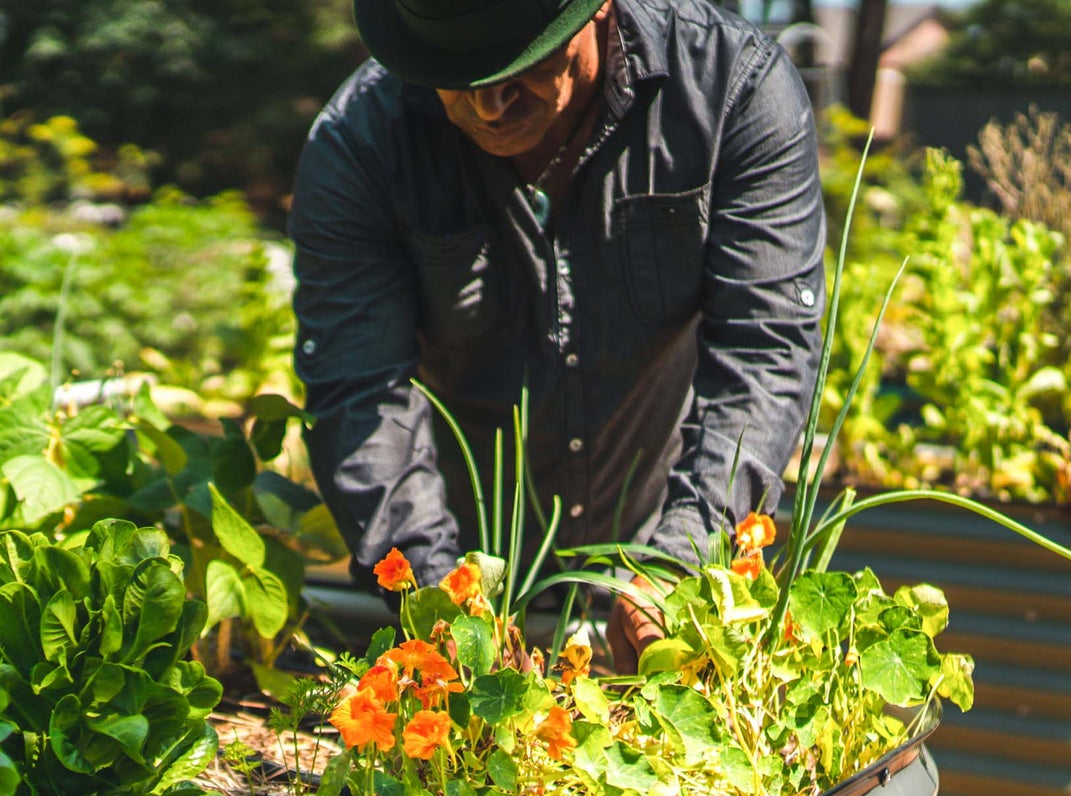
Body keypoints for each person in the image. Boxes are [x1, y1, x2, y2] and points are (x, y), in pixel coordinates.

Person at [290, 0, 826, 667]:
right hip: (468, 563)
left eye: (522, 63)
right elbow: (359, 392)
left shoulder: (729, 89)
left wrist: (681, 559)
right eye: (458, 74)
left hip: (665, 550)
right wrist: (444, 604)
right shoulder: (362, 139)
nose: (490, 105)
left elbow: (763, 346)